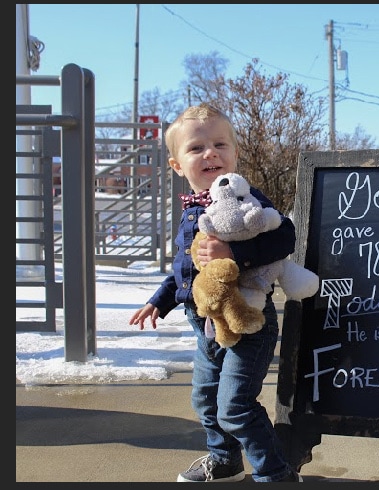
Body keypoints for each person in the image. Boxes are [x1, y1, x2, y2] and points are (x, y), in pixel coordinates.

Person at [129, 103, 302, 483]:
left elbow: (284, 237)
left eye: (220, 144)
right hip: (204, 325)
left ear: (235, 153)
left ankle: (276, 474)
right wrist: (159, 300)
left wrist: (234, 253)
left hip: (248, 322)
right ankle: (224, 461)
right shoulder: (191, 211)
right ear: (177, 165)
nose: (210, 153)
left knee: (235, 405)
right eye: (196, 148)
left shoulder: (245, 198)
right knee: (205, 400)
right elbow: (185, 268)